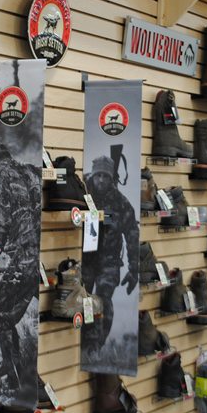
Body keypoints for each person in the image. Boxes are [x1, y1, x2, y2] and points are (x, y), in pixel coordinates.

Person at [0, 141, 41, 396]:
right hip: (40, 259)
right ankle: (29, 372)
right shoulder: (31, 172)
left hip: (22, 260)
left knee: (3, 317)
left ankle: (13, 379)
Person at [82, 151, 138, 352]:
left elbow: (132, 234)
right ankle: (86, 341)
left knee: (103, 299)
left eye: (106, 176)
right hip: (85, 259)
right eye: (98, 175)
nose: (101, 180)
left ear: (111, 178)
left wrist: (134, 269)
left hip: (109, 262)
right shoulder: (82, 193)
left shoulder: (121, 203)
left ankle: (95, 344)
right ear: (93, 175)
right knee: (86, 301)